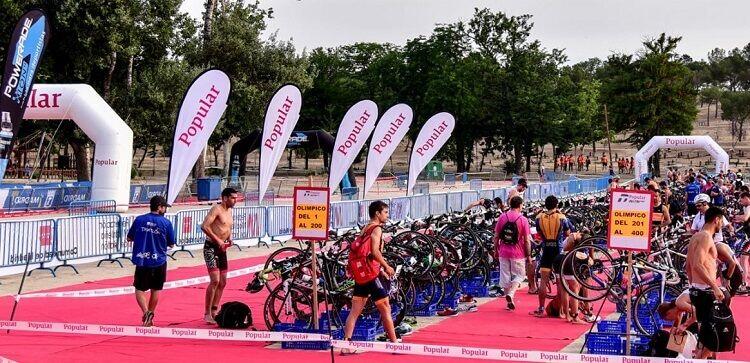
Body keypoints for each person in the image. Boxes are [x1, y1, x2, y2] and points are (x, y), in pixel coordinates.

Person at [342, 201, 398, 353]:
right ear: (377, 213)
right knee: (385, 308)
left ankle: (346, 345)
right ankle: (394, 344)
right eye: (385, 212)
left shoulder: (365, 228)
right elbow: (374, 252)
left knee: (354, 312)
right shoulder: (377, 229)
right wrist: (386, 266)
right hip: (371, 276)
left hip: (361, 276)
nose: (387, 215)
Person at [127, 195, 176, 327]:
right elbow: (172, 244)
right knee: (156, 289)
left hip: (142, 260)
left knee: (139, 289)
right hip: (159, 260)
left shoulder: (139, 220)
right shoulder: (166, 223)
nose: (165, 209)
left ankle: (146, 312)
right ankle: (150, 313)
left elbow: (129, 238)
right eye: (164, 207)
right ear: (159, 207)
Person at [685, 206, 727, 359]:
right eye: (721, 221)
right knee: (715, 336)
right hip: (706, 291)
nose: (721, 224)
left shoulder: (695, 237)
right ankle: (700, 359)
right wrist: (714, 286)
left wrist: (692, 286)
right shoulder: (706, 237)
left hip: (698, 290)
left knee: (705, 333)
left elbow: (688, 267)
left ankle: (700, 358)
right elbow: (697, 264)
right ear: (716, 219)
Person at [530, 195, 572, 317]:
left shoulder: (539, 218)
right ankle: (562, 310)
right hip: (558, 250)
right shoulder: (561, 217)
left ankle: (541, 308)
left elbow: (538, 232)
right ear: (556, 205)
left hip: (546, 248)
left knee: (543, 280)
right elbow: (568, 233)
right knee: (560, 282)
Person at [201, 187, 239, 324]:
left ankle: (214, 309)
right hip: (211, 247)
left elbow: (227, 227)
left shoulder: (230, 211)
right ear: (224, 198)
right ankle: (206, 313)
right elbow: (205, 226)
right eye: (233, 198)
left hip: (222, 249)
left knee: (223, 282)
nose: (235, 200)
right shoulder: (216, 209)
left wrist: (230, 238)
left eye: (236, 197)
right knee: (215, 280)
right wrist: (217, 239)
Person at [493, 196, 531, 311]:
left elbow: (496, 236)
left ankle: (508, 300)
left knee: (505, 276)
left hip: (503, 251)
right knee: (520, 275)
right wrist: (528, 255)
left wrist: (496, 250)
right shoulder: (523, 219)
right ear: (520, 205)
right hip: (518, 253)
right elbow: (527, 240)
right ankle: (512, 293)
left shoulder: (502, 217)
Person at [733, 192, 750, 294]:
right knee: (746, 260)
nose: (741, 202)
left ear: (746, 198)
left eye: (741, 199)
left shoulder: (748, 207)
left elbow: (746, 218)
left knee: (744, 260)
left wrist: (737, 216)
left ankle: (744, 285)